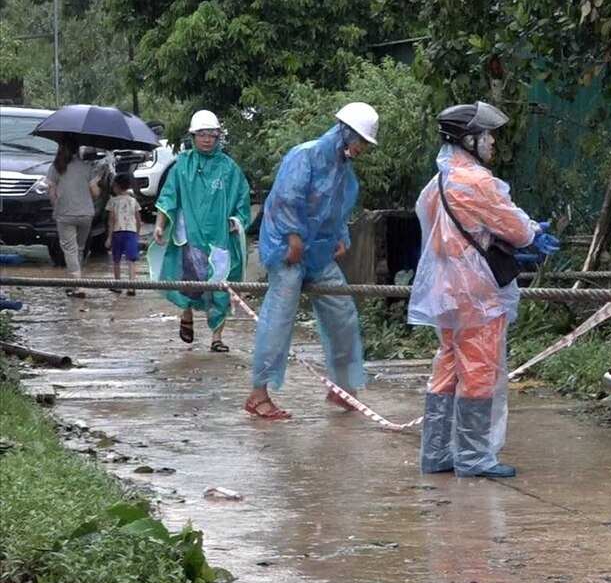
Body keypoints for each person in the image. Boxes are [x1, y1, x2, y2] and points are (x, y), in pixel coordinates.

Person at [409, 101, 559, 478]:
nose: (491, 142)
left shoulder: (437, 182)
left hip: (443, 290)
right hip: (477, 292)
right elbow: (516, 228)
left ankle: (436, 453)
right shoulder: (477, 182)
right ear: (469, 140)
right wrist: (534, 232)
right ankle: (474, 458)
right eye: (487, 135)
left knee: (446, 368)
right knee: (478, 370)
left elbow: (435, 227)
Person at [244, 102, 378, 420]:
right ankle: (258, 393)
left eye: (365, 143)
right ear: (346, 133)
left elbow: (335, 210)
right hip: (287, 252)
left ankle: (342, 387)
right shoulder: (305, 156)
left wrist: (341, 236)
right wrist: (292, 237)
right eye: (360, 140)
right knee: (279, 318)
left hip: (318, 254)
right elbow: (287, 198)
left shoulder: (344, 172)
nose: (362, 148)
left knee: (342, 311)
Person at [151, 110, 252, 351]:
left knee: (221, 287)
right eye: (202, 135)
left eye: (212, 135)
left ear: (218, 137)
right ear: (193, 136)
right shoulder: (182, 166)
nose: (207, 139)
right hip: (191, 239)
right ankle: (187, 314)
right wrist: (160, 224)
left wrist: (236, 221)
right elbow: (168, 197)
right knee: (191, 282)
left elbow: (243, 201)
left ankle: (217, 338)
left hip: (220, 240)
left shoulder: (229, 169)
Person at [45, 141, 106, 297]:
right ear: (78, 150)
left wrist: (56, 206)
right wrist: (99, 182)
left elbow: (51, 192)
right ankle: (76, 282)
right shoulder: (87, 167)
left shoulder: (55, 168)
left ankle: (78, 286)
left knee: (70, 250)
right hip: (86, 213)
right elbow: (95, 194)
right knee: (79, 248)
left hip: (65, 213)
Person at [106, 175, 141, 296]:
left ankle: (118, 285)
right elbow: (138, 219)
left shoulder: (113, 201)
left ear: (117, 186)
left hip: (117, 232)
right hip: (131, 232)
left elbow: (111, 220)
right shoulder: (133, 201)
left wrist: (109, 237)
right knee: (131, 260)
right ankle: (132, 286)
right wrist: (137, 234)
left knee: (116, 260)